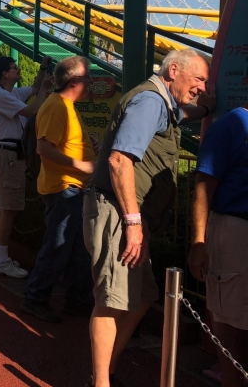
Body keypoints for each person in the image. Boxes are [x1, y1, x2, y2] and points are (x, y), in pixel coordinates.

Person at [84, 48, 214, 387]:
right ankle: (100, 382)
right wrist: (133, 223)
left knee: (142, 297)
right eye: (199, 79)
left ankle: (107, 369)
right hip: (119, 212)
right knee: (111, 301)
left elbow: (177, 117)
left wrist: (206, 109)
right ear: (174, 70)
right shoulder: (150, 101)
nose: (202, 86)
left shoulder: (162, 105)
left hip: (128, 213)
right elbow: (119, 161)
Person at [21, 56, 97, 323]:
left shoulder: (64, 105)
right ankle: (36, 298)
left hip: (72, 188)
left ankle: (76, 299)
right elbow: (44, 148)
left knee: (76, 248)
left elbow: (61, 143)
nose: (91, 84)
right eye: (88, 78)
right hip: (64, 187)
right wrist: (84, 165)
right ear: (75, 81)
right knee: (58, 246)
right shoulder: (57, 106)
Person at [188, 104, 248, 387]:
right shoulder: (230, 126)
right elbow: (203, 187)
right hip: (234, 229)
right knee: (230, 319)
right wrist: (199, 243)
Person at [0, 55, 54, 278]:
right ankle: (1, 259)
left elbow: (32, 88)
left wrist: (42, 70)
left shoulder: (9, 93)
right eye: (14, 68)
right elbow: (32, 110)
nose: (18, 69)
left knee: (6, 207)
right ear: (5, 73)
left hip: (9, 153)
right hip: (8, 153)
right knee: (11, 208)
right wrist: (45, 90)